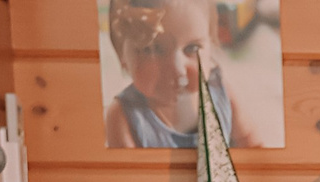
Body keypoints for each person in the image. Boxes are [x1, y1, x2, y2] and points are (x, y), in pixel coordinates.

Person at [102, 0, 267, 150]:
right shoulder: (123, 116)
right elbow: (126, 178)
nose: (178, 69)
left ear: (211, 46)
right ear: (122, 57)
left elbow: (252, 144)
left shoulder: (220, 92)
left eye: (192, 48)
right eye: (152, 49)